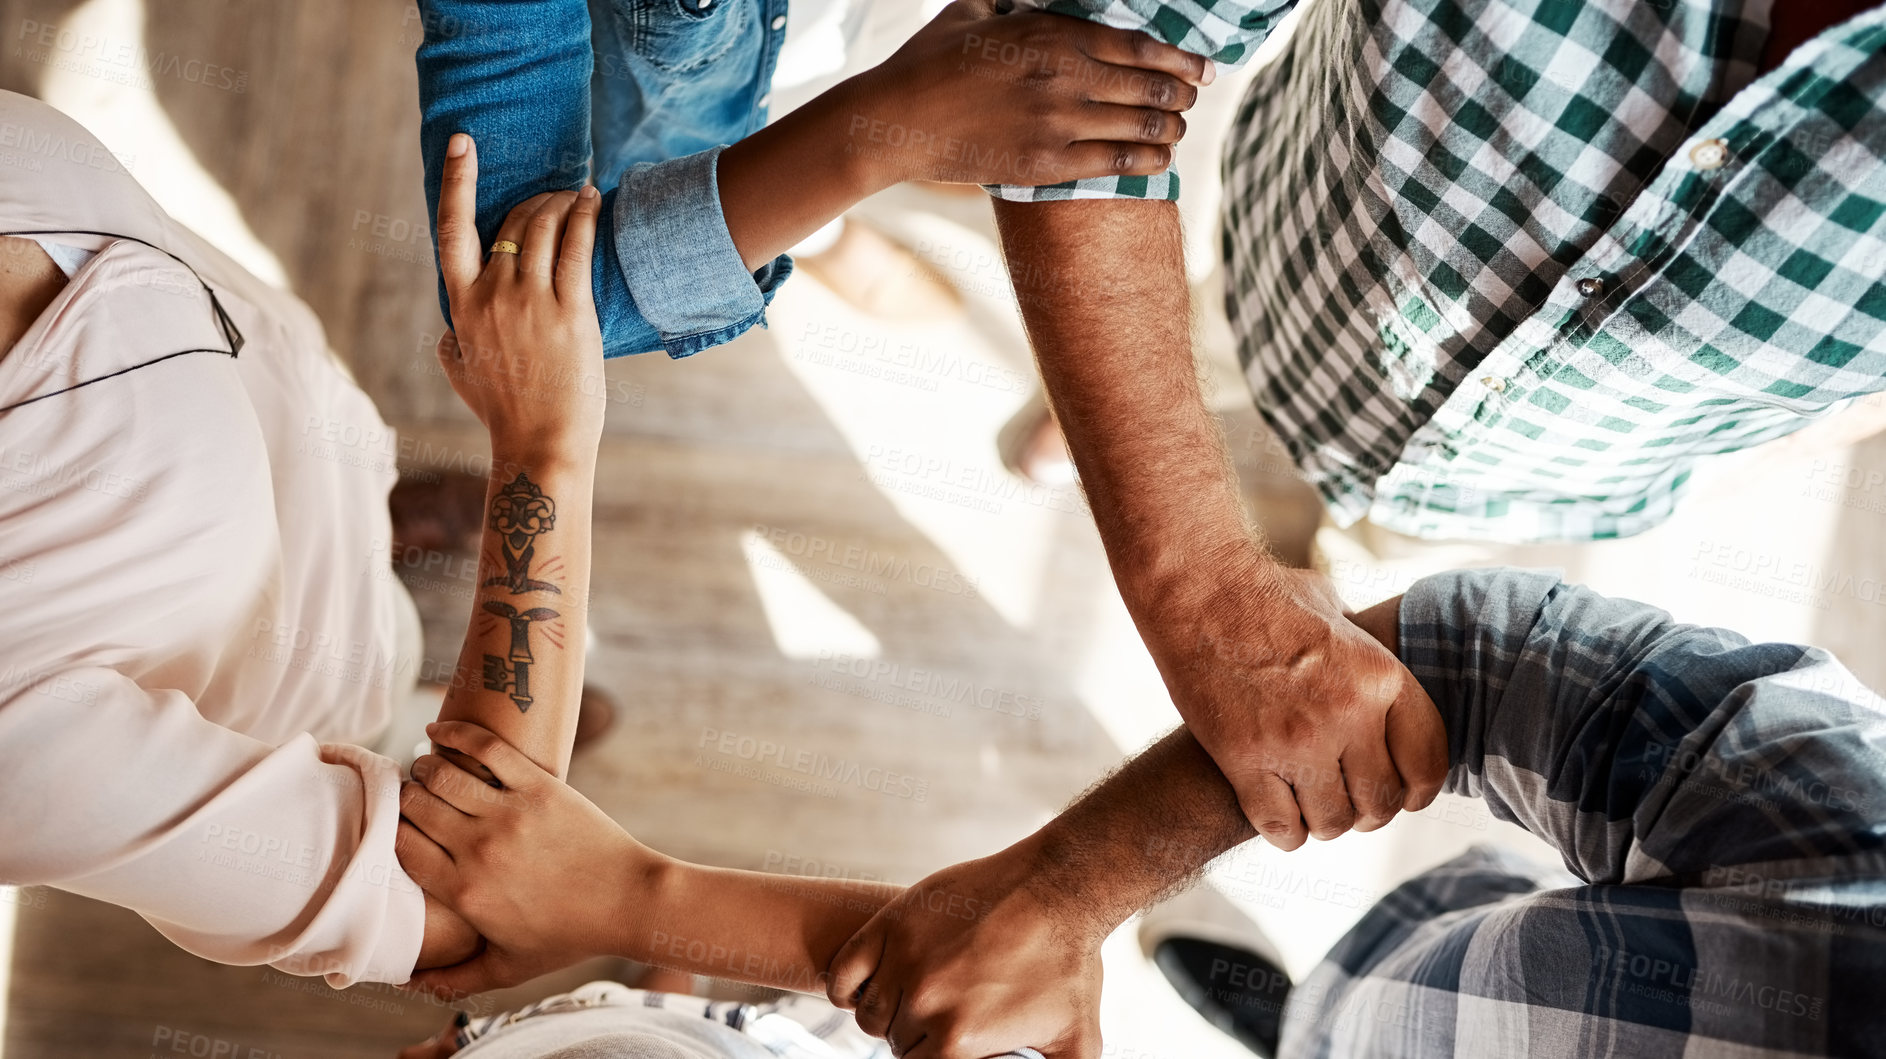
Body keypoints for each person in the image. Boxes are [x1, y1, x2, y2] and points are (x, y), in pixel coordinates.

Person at [414, 0, 1457, 858]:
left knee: (1096, 173)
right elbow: (526, 296)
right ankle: (819, 233)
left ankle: (833, 226)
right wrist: (885, 131)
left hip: (942, 69)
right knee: (777, 149)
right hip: (741, 100)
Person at [396, 565, 1886, 1057]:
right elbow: (1476, 654)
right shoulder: (1855, 874)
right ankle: (1301, 1018)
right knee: (1357, 1002)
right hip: (1432, 994)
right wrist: (1058, 889)